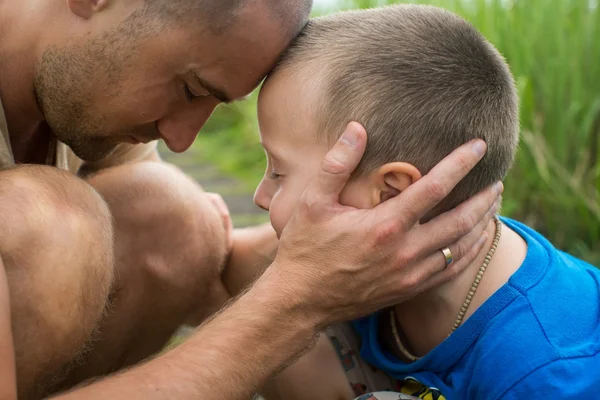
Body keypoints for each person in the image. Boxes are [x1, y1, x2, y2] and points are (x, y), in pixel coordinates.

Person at [0, 0, 501, 398]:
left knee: (176, 218)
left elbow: (183, 251)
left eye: (211, 104)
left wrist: (354, 244)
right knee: (55, 224)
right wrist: (299, 298)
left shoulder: (80, 78)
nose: (181, 141)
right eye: (190, 88)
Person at [251, 4, 600, 399]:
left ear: (393, 194)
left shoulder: (548, 373)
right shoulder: (357, 269)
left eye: (279, 172)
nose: (260, 196)